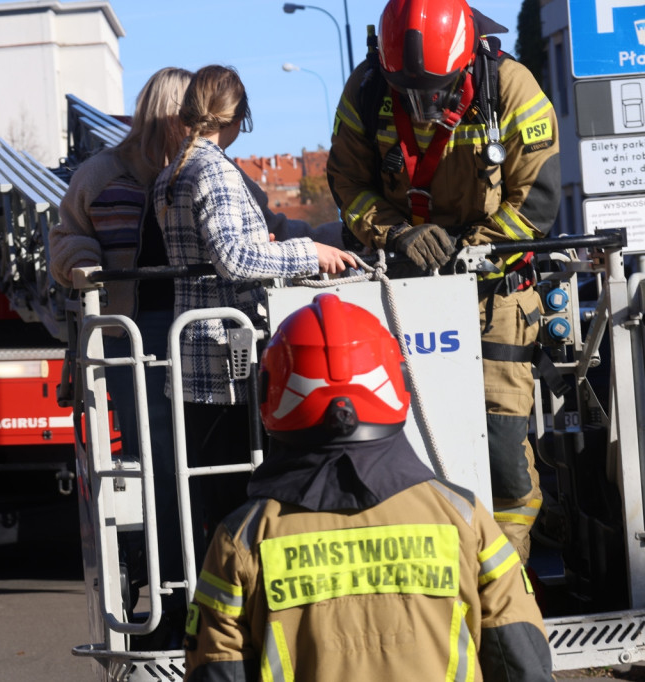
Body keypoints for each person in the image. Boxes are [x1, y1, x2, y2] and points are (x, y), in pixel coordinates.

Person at [183, 293, 553, 681]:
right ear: (396, 383)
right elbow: (520, 660)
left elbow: (216, 672)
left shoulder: (240, 541)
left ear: (271, 393)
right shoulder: (464, 518)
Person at [326, 0, 561, 562]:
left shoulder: (511, 85)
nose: (422, 103)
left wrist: (470, 252)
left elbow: (538, 198)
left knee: (503, 452)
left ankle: (508, 588)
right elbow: (347, 181)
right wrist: (396, 234)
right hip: (399, 293)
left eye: (434, 89)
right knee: (388, 443)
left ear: (465, 59)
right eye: (406, 89)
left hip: (494, 293)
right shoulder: (365, 90)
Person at [154, 65, 357, 561]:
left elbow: (212, 253)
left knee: (213, 502)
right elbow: (234, 259)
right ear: (239, 116)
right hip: (226, 365)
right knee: (241, 505)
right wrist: (310, 253)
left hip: (195, 360)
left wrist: (256, 245)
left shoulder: (172, 171)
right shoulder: (215, 170)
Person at [49, 66, 193, 646]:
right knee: (156, 463)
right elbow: (65, 237)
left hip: (195, 330)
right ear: (168, 114)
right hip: (134, 335)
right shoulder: (101, 175)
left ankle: (187, 580)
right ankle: (165, 584)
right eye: (190, 116)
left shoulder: (200, 168)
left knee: (194, 462)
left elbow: (251, 220)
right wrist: (84, 265)